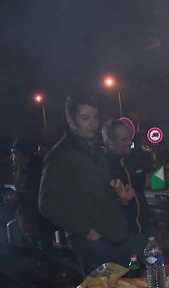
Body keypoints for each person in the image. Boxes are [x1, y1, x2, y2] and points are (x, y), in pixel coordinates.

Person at [38, 94, 129, 276]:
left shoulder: (95, 149)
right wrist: (85, 230)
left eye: (95, 118)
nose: (93, 124)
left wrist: (121, 195)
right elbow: (47, 203)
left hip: (116, 233)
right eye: (85, 118)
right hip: (92, 241)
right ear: (71, 119)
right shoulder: (61, 155)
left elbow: (101, 188)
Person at [101, 119, 152, 258]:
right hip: (122, 238)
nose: (129, 142)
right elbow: (99, 202)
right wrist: (120, 200)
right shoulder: (101, 166)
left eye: (129, 138)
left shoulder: (135, 157)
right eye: (124, 140)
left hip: (146, 231)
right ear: (110, 142)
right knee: (130, 277)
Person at [8, 137, 52, 248]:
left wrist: (20, 197)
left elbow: (42, 195)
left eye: (14, 153)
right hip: (28, 221)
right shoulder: (21, 170)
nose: (11, 157)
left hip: (40, 223)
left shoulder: (37, 170)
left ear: (23, 153)